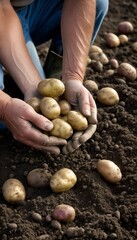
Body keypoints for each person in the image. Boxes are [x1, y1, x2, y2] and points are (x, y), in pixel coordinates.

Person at [0, 0, 109, 155]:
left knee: (98, 2)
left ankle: (56, 80)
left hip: (25, 11)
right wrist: (4, 108)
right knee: (3, 122)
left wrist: (72, 77)